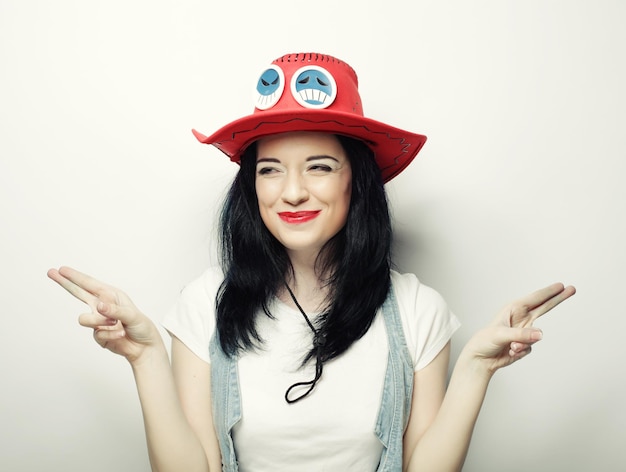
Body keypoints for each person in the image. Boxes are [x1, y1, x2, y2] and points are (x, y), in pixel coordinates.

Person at [47, 52, 576, 472]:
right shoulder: (204, 303)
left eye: (319, 167)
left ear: (357, 181)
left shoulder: (418, 308)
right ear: (251, 187)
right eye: (270, 170)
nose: (292, 192)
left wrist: (475, 370)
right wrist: (144, 359)